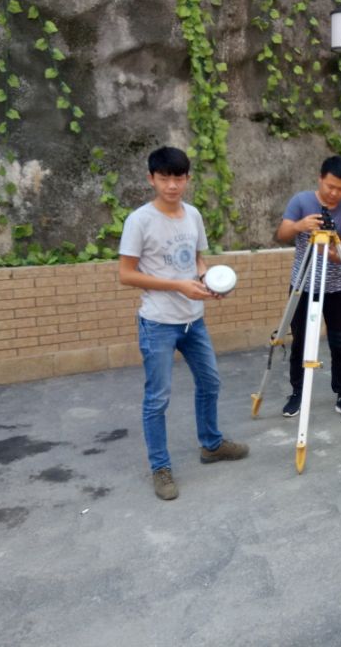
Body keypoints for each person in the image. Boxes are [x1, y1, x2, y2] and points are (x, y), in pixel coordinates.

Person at [118, 146, 249, 501]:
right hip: (158, 322)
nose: (172, 185)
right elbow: (126, 274)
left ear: (188, 179)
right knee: (157, 398)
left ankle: (211, 444)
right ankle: (160, 467)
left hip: (194, 321)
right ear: (151, 179)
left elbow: (197, 259)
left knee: (210, 382)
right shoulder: (139, 221)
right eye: (164, 178)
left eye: (178, 178)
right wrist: (178, 285)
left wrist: (207, 280)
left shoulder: (193, 215)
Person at [274, 155, 341, 421]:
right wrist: (300, 226)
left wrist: (329, 249)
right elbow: (282, 234)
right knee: (300, 342)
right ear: (320, 179)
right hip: (303, 286)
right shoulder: (301, 202)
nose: (334, 193)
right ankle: (297, 393)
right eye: (330, 186)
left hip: (337, 289)